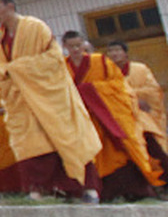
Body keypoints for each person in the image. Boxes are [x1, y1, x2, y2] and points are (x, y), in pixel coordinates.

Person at [0, 0, 100, 201]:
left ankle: (85, 188)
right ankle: (38, 189)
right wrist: (12, 77)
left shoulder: (35, 28)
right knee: (30, 143)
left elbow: (53, 59)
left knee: (67, 137)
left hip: (51, 97)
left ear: (10, 6)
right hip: (22, 102)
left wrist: (17, 69)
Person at [64, 30, 164, 201]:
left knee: (121, 152)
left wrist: (88, 91)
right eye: (71, 46)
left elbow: (118, 86)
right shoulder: (62, 67)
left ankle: (137, 192)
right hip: (85, 119)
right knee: (94, 154)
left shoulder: (100, 61)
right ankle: (105, 193)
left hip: (109, 116)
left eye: (78, 45)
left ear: (84, 44)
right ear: (64, 47)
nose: (75, 49)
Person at [107, 41, 168, 183]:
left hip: (143, 117)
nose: (114, 54)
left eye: (117, 50)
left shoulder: (140, 69)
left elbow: (153, 91)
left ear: (125, 53)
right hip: (121, 119)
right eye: (111, 51)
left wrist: (129, 96)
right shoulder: (108, 72)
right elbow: (107, 94)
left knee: (153, 147)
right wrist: (131, 98)